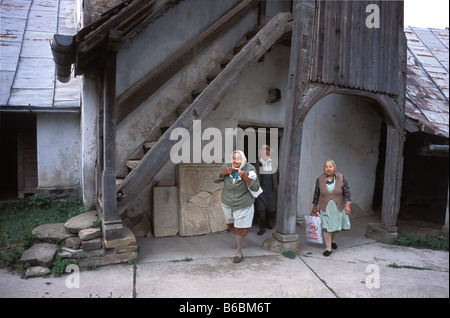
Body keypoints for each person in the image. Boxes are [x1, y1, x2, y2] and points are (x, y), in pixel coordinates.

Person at [213, 150, 260, 263]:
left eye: (238, 159)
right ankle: (239, 235)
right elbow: (215, 179)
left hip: (243, 202)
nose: (235, 161)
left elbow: (256, 187)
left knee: (240, 228)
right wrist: (223, 173)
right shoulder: (227, 166)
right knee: (231, 223)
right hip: (227, 201)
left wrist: (246, 178)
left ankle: (239, 252)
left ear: (243, 159)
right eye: (234, 158)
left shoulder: (250, 169)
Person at [311, 160, 351, 256]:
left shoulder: (341, 178)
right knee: (326, 228)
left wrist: (347, 205)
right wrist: (315, 206)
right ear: (324, 168)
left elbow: (347, 193)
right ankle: (328, 248)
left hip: (338, 207)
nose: (328, 169)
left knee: (335, 228)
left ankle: (332, 241)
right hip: (325, 207)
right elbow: (316, 193)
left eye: (330, 166)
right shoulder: (319, 179)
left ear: (334, 167)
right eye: (326, 167)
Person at [255, 145, 278, 235]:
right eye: (264, 153)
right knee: (261, 209)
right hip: (261, 189)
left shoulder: (274, 163)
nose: (266, 154)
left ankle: (268, 223)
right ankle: (262, 227)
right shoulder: (258, 163)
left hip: (271, 189)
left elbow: (277, 175)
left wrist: (277, 185)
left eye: (267, 153)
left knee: (270, 208)